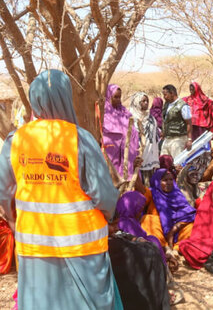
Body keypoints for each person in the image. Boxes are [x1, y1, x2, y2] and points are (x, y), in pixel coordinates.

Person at [0, 70, 121, 309]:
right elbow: (105, 196)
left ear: (35, 100)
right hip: (83, 247)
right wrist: (109, 217)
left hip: (34, 247)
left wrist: (15, 223)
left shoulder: (16, 141)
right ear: (66, 98)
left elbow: (4, 193)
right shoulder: (81, 139)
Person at [139, 169, 196, 252]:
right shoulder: (152, 193)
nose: (169, 182)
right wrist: (135, 170)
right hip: (159, 231)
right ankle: (163, 248)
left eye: (171, 180)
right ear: (157, 182)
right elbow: (140, 189)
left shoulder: (177, 194)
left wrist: (173, 231)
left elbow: (189, 214)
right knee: (148, 219)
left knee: (191, 226)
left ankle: (177, 249)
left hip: (176, 229)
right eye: (165, 180)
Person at [103, 84, 139, 179]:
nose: (118, 100)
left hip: (127, 155)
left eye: (119, 97)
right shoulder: (104, 114)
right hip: (111, 156)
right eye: (115, 97)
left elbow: (132, 131)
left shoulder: (124, 112)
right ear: (108, 96)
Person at [130, 92, 160, 186]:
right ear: (137, 102)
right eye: (143, 101)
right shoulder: (131, 118)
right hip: (138, 153)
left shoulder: (151, 118)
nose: (146, 103)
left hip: (150, 154)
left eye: (147, 101)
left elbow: (155, 137)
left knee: (149, 182)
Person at [161, 84, 192, 159]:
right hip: (167, 139)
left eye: (165, 95)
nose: (164, 97)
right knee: (164, 161)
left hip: (178, 139)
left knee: (177, 163)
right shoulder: (166, 105)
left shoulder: (183, 106)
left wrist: (189, 140)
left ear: (172, 93)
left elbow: (189, 123)